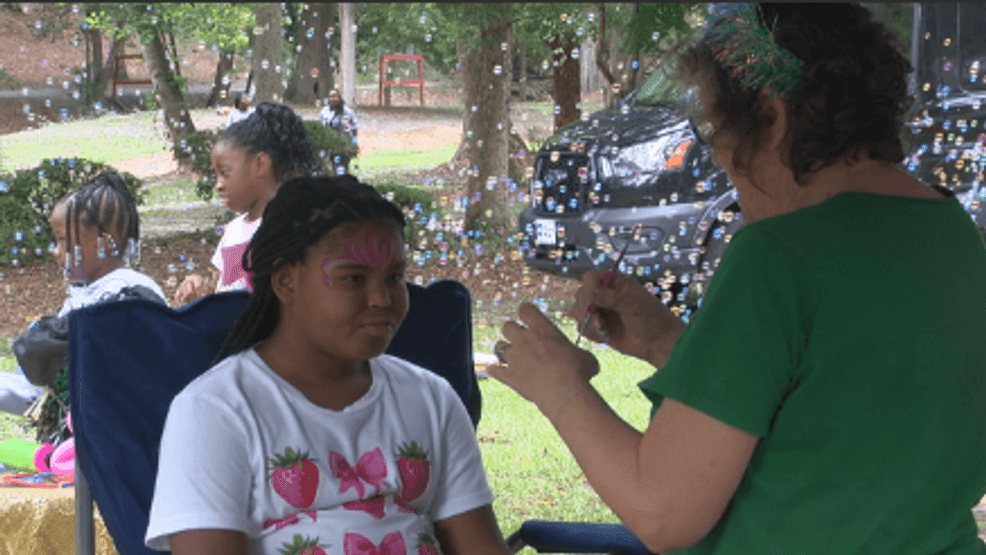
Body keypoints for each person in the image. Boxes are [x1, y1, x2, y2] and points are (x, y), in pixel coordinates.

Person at [488, 4, 986, 555]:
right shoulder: (951, 232)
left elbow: (663, 512)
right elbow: (829, 420)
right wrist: (666, 342)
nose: (720, 159)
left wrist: (558, 385)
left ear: (772, 117)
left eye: (714, 130)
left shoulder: (779, 256)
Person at [145, 175, 511, 555]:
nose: (382, 299)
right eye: (353, 278)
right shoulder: (215, 412)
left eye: (395, 278)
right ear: (286, 281)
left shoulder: (431, 399)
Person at [7, 172, 167, 443]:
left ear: (104, 239)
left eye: (64, 240)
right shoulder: (84, 295)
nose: (56, 251)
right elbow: (35, 385)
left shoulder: (130, 294)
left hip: (117, 444)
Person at [174, 102, 320, 306]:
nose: (218, 185)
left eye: (224, 172)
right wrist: (200, 291)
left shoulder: (294, 227)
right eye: (215, 175)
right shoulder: (233, 231)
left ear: (260, 164)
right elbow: (222, 290)